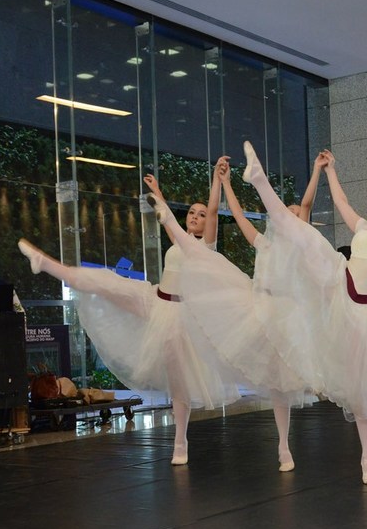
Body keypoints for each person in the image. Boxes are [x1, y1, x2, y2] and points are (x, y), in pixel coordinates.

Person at [240, 140, 367, 484]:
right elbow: (341, 201)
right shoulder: (361, 227)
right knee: (304, 236)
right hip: (340, 286)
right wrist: (331, 170)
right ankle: (258, 180)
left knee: (362, 388)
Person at [18, 158, 240, 464]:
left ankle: (180, 442)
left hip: (180, 316)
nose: (195, 216)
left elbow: (214, 211)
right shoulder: (179, 241)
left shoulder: (207, 248)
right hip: (155, 300)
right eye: (191, 212)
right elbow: (166, 217)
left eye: (201, 215)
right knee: (106, 283)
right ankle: (47, 264)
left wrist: (217, 179)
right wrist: (157, 191)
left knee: (179, 383)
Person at [147, 156, 321, 471]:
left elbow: (305, 205)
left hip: (282, 315)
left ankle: (283, 445)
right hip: (248, 308)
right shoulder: (263, 243)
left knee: (280, 383)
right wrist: (225, 183)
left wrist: (318, 171)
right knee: (187, 374)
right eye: (288, 212)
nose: (292, 215)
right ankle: (181, 438)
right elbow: (236, 215)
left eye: (296, 214)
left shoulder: (300, 245)